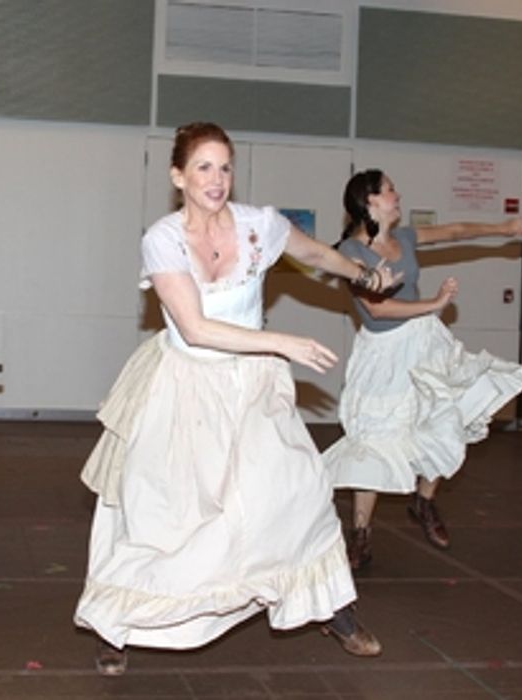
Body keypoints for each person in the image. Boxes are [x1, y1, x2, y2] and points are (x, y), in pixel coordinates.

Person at [74, 122, 399, 676]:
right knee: (162, 518)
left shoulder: (258, 225)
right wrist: (281, 342)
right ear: (178, 175)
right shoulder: (163, 238)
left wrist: (365, 272)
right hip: (186, 385)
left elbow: (317, 255)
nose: (216, 179)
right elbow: (197, 329)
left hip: (252, 389)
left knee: (299, 487)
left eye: (224, 167)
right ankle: (116, 624)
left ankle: (332, 606)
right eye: (203, 167)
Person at [322, 170, 522, 568]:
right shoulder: (351, 252)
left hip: (424, 343)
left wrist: (503, 227)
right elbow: (377, 307)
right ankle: (361, 533)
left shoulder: (406, 239)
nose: (397, 195)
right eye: (390, 190)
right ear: (370, 202)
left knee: (445, 415)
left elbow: (454, 231)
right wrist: (432, 305)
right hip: (383, 353)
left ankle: (424, 500)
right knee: (375, 441)